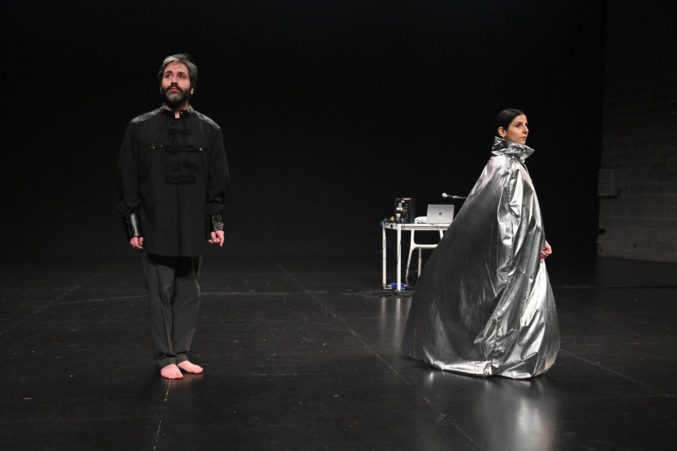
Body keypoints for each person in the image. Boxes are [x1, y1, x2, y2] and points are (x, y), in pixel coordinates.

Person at [401, 108, 559, 379]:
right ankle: (495, 356)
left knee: (519, 302)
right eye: (518, 125)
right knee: (504, 300)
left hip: (524, 248)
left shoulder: (515, 165)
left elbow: (527, 211)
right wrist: (522, 245)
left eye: (526, 124)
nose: (525, 130)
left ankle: (505, 354)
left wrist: (539, 238)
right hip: (512, 251)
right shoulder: (502, 166)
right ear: (502, 131)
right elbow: (495, 214)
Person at [117, 54, 229, 379]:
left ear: (192, 87)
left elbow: (218, 179)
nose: (174, 81)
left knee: (189, 291)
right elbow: (127, 178)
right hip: (156, 224)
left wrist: (216, 222)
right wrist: (133, 226)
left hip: (192, 224)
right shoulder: (140, 127)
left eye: (181, 76)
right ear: (161, 83)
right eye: (168, 75)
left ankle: (181, 352)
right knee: (160, 292)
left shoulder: (209, 130)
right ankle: (165, 356)